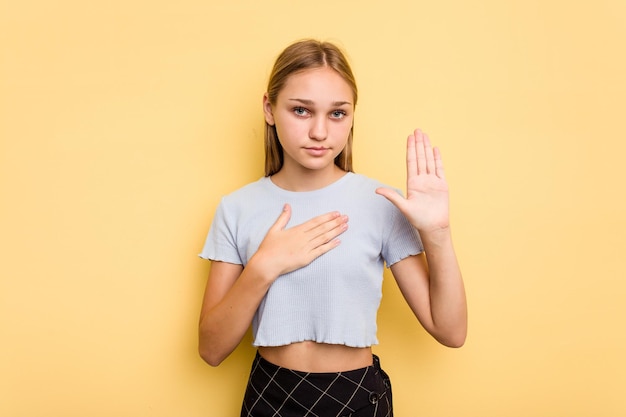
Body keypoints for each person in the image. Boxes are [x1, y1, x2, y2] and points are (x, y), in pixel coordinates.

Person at [198, 39, 467, 417]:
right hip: (270, 396)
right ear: (269, 109)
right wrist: (264, 266)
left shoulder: (380, 202)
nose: (320, 132)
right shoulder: (236, 208)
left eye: (337, 114)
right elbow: (211, 350)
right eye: (301, 111)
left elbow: (450, 331)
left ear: (352, 115)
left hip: (355, 397)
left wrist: (437, 233)